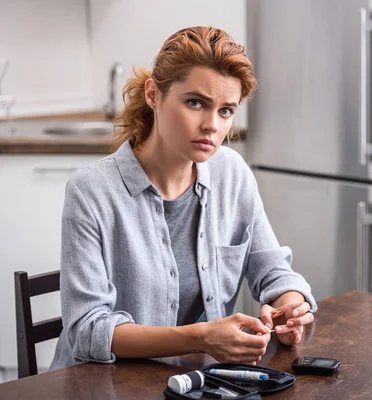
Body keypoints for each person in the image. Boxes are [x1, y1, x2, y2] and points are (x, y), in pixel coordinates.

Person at [50, 26, 316, 370]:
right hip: (102, 385)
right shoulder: (90, 191)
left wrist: (290, 309)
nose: (211, 125)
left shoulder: (232, 172)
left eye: (225, 111)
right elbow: (87, 330)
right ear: (153, 94)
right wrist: (201, 337)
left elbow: (274, 272)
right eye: (195, 103)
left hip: (195, 383)